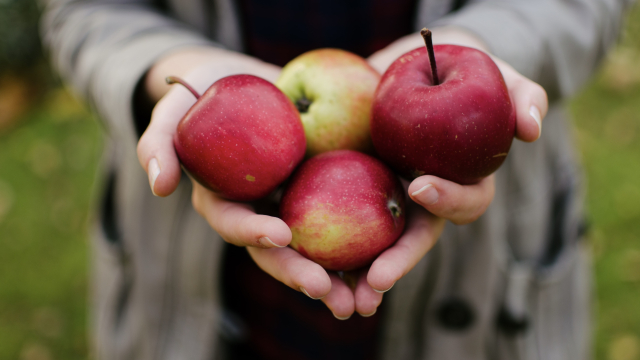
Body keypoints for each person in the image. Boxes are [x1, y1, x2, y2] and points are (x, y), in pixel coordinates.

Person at [41, 0, 633, 359]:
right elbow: (81, 10)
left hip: (482, 276)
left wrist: (483, 45)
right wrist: (169, 68)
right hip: (202, 286)